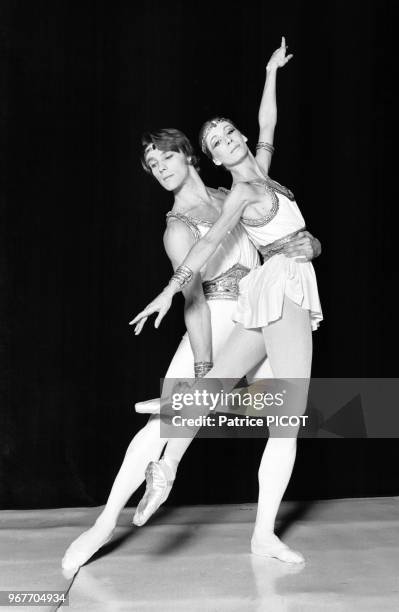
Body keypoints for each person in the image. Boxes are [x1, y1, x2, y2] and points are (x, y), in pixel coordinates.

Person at [62, 39, 319, 574]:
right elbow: (197, 292)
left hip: (260, 308)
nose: (159, 168)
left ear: (192, 156)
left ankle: (258, 529)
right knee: (176, 424)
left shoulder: (237, 190)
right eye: (151, 165)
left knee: (273, 420)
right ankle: (104, 523)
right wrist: (190, 338)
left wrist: (271, 72)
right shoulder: (181, 224)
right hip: (229, 316)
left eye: (166, 157)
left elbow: (266, 132)